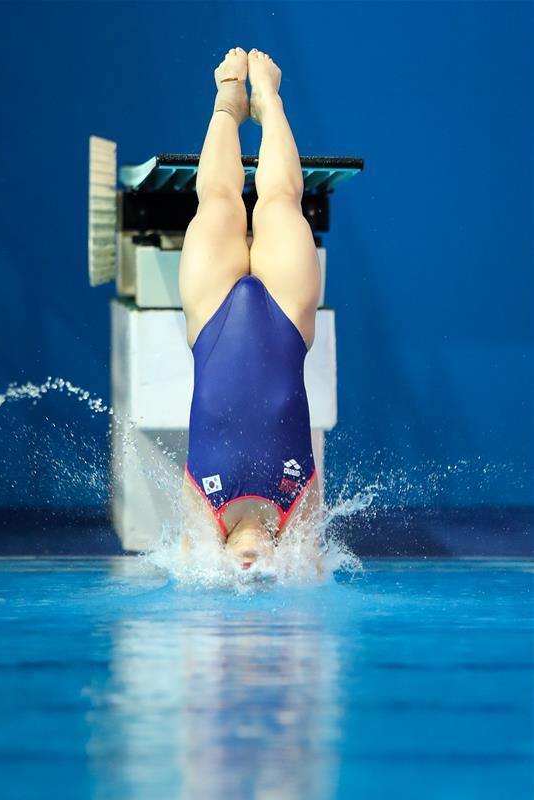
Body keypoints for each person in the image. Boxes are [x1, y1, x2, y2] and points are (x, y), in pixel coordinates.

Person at [180, 47, 322, 571]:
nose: (249, 568)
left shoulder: (202, 520)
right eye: (263, 573)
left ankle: (227, 100)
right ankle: (269, 98)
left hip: (211, 317)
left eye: (240, 573)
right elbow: (316, 583)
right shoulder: (297, 514)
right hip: (286, 318)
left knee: (217, 202)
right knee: (281, 200)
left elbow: (186, 614)